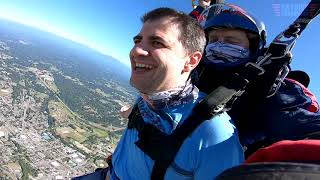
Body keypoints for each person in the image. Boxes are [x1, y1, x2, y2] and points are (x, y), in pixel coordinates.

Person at [74, 7, 244, 180]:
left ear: (191, 61)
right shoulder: (148, 96)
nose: (136, 50)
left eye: (157, 43)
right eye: (138, 41)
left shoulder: (213, 134)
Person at [190, 0, 320, 156]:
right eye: (213, 40)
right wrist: (201, 8)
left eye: (231, 41)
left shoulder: (273, 91)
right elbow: (175, 38)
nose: (219, 45)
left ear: (253, 47)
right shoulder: (192, 75)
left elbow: (301, 126)